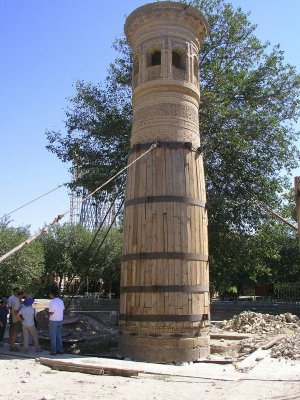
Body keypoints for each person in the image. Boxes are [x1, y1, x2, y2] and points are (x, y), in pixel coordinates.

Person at [48, 288, 64, 355]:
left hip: (53, 321)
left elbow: (51, 313)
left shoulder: (52, 302)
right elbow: (63, 309)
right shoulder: (61, 301)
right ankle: (60, 350)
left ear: (51, 294)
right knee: (58, 336)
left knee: (53, 336)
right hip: (60, 320)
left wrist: (47, 312)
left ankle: (53, 351)